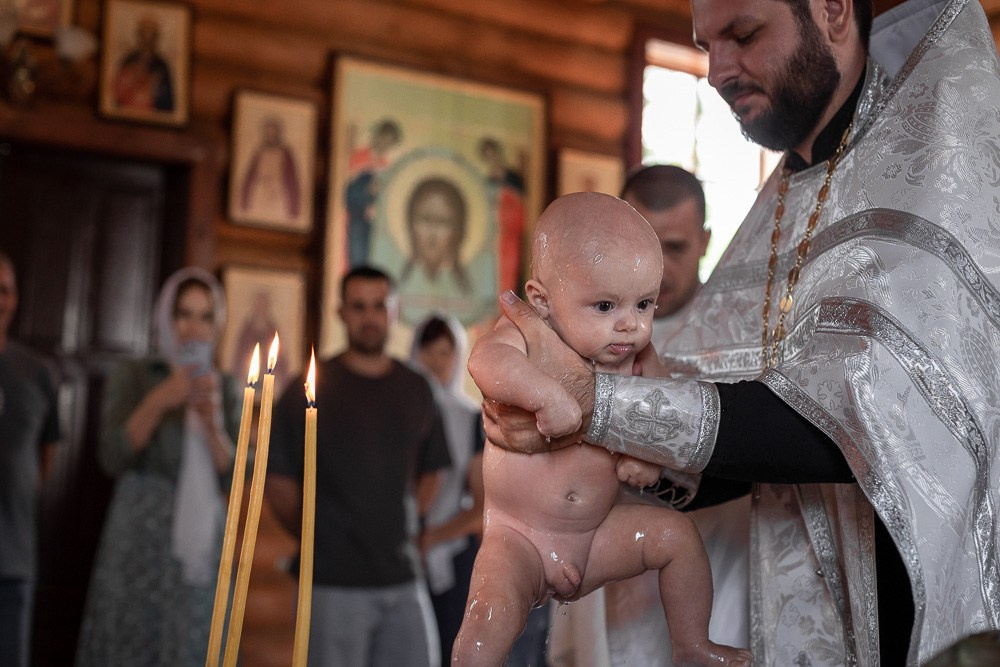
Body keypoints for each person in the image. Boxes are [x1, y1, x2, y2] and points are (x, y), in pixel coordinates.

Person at [473, 0, 1000, 665]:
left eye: (744, 34)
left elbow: (866, 416)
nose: (718, 69)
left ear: (834, 11)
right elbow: (743, 441)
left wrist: (595, 405)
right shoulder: (783, 198)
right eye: (705, 44)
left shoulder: (933, 166)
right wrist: (613, 459)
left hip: (903, 609)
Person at [454, 192, 751, 666]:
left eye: (645, 304)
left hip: (595, 536)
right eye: (606, 305)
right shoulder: (529, 334)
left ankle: (691, 644)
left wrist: (646, 458)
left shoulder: (639, 358)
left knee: (677, 538)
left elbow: (663, 414)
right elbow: (486, 361)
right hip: (519, 536)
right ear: (542, 301)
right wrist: (546, 395)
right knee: (489, 612)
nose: (630, 325)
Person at [266, 266, 451, 667]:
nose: (369, 317)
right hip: (331, 579)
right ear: (341, 313)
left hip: (402, 573)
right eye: (359, 307)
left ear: (394, 311)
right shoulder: (309, 389)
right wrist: (316, 533)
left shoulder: (416, 387)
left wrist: (405, 521)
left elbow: (433, 467)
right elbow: (277, 479)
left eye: (379, 307)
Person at [76, 268, 241, 666]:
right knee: (132, 638)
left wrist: (212, 422)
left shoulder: (228, 387)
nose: (194, 328)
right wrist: (161, 399)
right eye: (184, 314)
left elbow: (237, 478)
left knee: (193, 639)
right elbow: (112, 455)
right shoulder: (134, 375)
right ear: (167, 319)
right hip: (142, 528)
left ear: (218, 324)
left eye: (206, 316)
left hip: (201, 535)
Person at [409, 314, 486, 663]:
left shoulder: (471, 418)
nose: (436, 362)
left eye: (445, 352)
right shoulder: (399, 412)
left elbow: (483, 506)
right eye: (428, 351)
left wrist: (434, 536)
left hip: (450, 555)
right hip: (398, 551)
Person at [0, 251, 60, 667]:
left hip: (14, 556)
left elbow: (47, 450)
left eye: (2, 289)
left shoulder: (36, 371)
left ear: (15, 298)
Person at [395, 177, 490, 326]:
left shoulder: (472, 289)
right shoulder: (399, 282)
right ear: (410, 224)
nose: (432, 234)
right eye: (425, 219)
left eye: (443, 222)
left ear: (458, 230)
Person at [346, 119, 402, 267]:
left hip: (372, 215)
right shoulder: (359, 155)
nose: (384, 144)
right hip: (356, 210)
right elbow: (349, 180)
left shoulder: (385, 165)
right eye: (383, 138)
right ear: (377, 135)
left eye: (389, 142)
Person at [479, 137, 527, 295]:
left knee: (513, 270)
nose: (492, 158)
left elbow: (521, 201)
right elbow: (490, 209)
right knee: (498, 274)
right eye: (488, 156)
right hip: (499, 233)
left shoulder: (512, 177)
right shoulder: (490, 180)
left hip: (514, 230)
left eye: (493, 154)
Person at [239, 116, 301, 223]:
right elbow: (250, 175)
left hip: (278, 192)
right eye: (268, 132)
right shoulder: (259, 152)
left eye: (273, 132)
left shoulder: (285, 153)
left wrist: (294, 208)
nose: (271, 135)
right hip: (260, 190)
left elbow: (292, 178)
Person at [112, 16, 174, 112]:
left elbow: (166, 100)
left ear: (156, 38)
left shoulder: (161, 65)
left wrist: (153, 87)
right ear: (139, 35)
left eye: (151, 34)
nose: (147, 38)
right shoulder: (129, 59)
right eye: (144, 33)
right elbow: (118, 93)